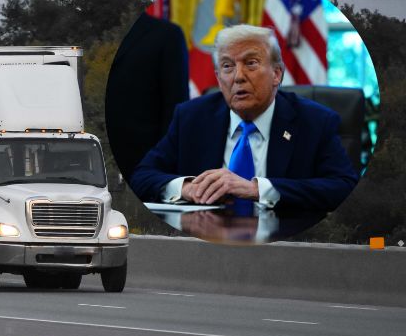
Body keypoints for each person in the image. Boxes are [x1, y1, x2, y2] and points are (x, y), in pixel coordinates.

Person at [130, 24, 359, 212]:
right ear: (219, 80)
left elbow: (343, 186)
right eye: (228, 66)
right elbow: (142, 176)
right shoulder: (191, 117)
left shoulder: (315, 121)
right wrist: (186, 188)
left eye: (251, 63)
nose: (238, 77)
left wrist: (258, 190)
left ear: (276, 74)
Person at [105, 13, 190, 183]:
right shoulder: (77, 31)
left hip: (141, 169)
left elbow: (174, 110)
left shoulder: (166, 35)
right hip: (82, 163)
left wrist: (160, 174)